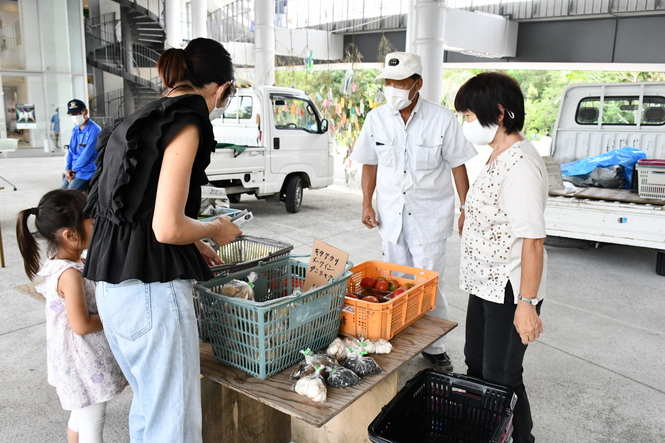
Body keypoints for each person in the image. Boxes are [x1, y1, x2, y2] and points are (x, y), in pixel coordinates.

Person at [82, 38, 242, 443]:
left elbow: (136, 215)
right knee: (173, 427)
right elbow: (166, 228)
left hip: (110, 288)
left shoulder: (137, 117)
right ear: (221, 88)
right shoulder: (188, 122)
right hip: (150, 294)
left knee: (150, 414)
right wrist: (216, 229)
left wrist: (193, 242)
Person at [351, 52, 477, 371]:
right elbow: (369, 162)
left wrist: (466, 208)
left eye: (399, 82)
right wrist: (367, 202)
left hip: (429, 219)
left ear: (417, 83)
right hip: (390, 217)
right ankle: (400, 337)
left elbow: (458, 166)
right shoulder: (376, 119)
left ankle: (434, 347)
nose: (391, 87)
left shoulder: (442, 119)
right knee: (395, 282)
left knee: (429, 285)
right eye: (388, 82)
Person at [454, 72, 547, 443]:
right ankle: (488, 432)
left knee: (502, 376)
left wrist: (526, 304)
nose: (466, 123)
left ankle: (522, 439)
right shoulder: (497, 153)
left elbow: (533, 241)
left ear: (500, 112)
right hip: (485, 283)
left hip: (509, 289)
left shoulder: (520, 164)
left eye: (469, 115)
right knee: (477, 365)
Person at [16, 189, 128, 443]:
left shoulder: (64, 264)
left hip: (72, 362)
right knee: (92, 422)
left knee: (79, 417)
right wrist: (115, 315)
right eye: (92, 222)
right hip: (82, 364)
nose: (98, 226)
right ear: (70, 234)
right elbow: (81, 325)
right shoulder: (70, 275)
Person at [62, 100, 101, 192]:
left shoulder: (95, 130)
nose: (75, 116)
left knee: (69, 196)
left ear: (85, 112)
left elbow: (87, 154)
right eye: (72, 114)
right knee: (59, 194)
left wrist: (74, 170)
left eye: (77, 113)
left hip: (87, 171)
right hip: (74, 170)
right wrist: (68, 169)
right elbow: (71, 151)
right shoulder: (75, 130)